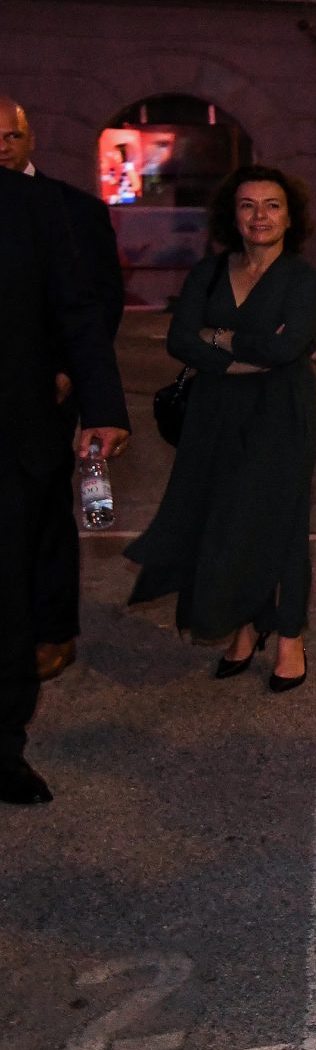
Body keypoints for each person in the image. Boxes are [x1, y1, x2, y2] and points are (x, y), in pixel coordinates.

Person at [126, 167, 316, 693]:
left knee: (279, 523)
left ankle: (288, 636)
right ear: (230, 215)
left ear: (290, 215)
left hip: (281, 415)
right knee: (225, 519)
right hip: (214, 413)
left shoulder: (302, 279)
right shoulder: (208, 273)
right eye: (247, 205)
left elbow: (287, 350)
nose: (260, 216)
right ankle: (242, 626)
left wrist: (217, 336)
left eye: (272, 205)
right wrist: (240, 352)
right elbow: (180, 340)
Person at [1, 167, 128, 804]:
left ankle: (1, 750)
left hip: (13, 434)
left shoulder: (33, 204)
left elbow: (77, 307)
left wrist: (103, 404)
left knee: (9, 603)